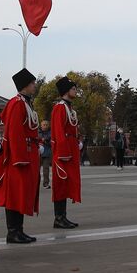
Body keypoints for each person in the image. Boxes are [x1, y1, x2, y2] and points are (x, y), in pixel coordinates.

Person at [0, 68, 42, 244]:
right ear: (25, 85)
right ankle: (13, 231)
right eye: (32, 83)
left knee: (23, 194)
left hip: (29, 153)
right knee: (15, 194)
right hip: (20, 156)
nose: (34, 86)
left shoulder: (26, 103)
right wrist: (19, 157)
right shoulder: (17, 104)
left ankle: (19, 230)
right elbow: (15, 132)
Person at [50, 77, 82, 228]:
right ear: (66, 91)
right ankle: (58, 217)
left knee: (67, 183)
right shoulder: (60, 108)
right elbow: (58, 131)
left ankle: (63, 216)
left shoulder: (69, 108)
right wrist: (63, 152)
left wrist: (77, 141)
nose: (75, 90)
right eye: (73, 88)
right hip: (64, 152)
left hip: (71, 148)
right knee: (60, 184)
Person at [39, 119, 52, 190]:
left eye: (46, 125)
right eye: (44, 125)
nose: (45, 126)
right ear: (41, 126)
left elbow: (51, 142)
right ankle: (35, 182)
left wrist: (45, 140)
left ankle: (46, 183)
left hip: (47, 153)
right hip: (38, 153)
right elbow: (38, 138)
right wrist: (43, 139)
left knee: (46, 170)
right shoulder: (38, 132)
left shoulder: (50, 132)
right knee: (36, 169)